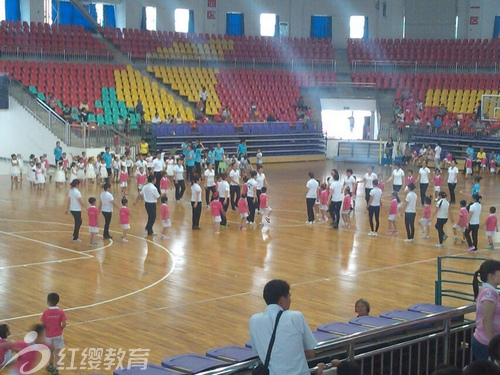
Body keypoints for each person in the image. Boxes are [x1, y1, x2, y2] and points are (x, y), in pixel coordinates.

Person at [249, 279, 317, 375]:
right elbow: (310, 353)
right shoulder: (295, 317)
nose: (290, 300)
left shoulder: (254, 320)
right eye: (289, 297)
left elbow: (258, 351)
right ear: (281, 301)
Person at [471, 260, 500, 360]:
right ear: (491, 276)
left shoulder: (492, 292)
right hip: (486, 344)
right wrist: (494, 346)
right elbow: (487, 320)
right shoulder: (489, 293)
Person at [41, 292, 67, 374]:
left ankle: (50, 365)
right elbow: (64, 323)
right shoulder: (61, 312)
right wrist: (60, 329)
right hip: (58, 335)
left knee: (50, 351)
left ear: (48, 301)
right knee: (57, 352)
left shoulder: (45, 313)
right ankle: (56, 369)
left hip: (48, 335)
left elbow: (43, 324)